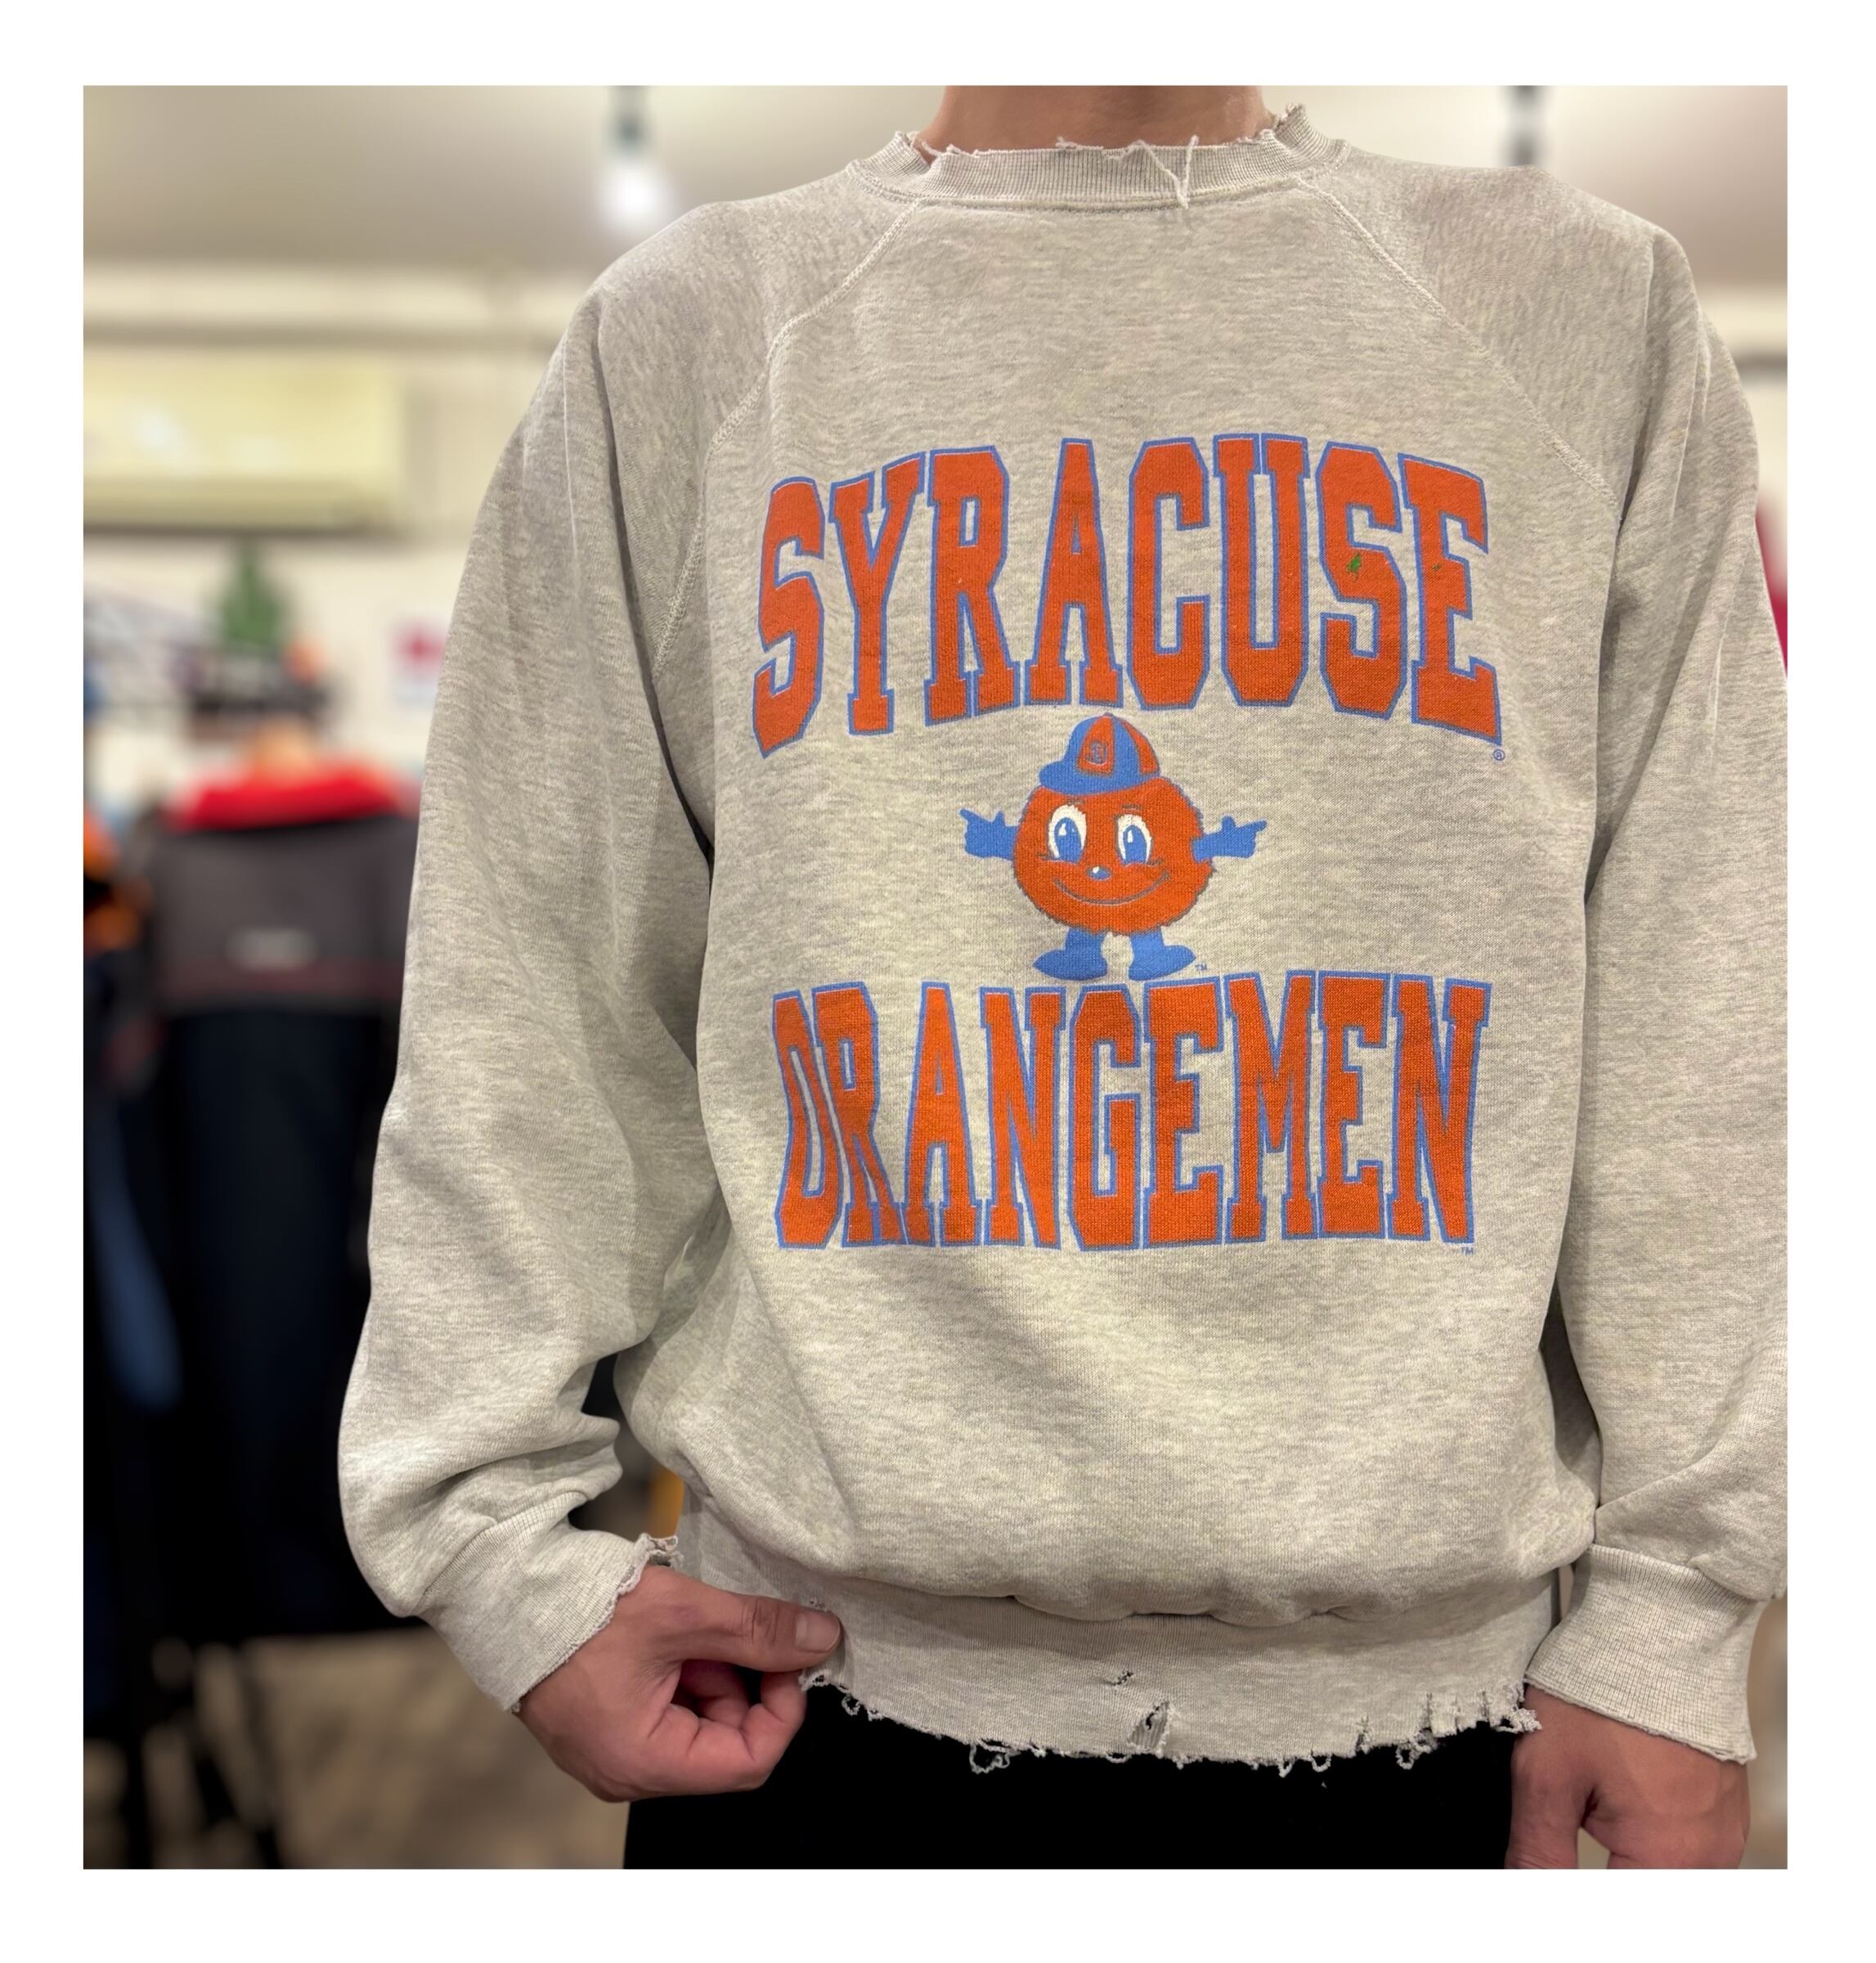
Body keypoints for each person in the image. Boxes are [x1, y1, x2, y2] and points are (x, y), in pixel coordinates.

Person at [338, 86, 1786, 1868]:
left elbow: (1704, 1013)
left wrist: (1677, 1619)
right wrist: (492, 1540)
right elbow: (532, 994)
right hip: (807, 1695)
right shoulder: (693, 335)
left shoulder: (1578, 310)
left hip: (1444, 1720)